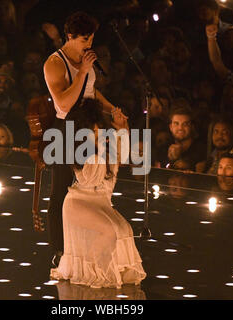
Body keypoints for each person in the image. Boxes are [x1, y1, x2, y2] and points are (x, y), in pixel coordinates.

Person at [43, 11, 127, 267]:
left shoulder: (84, 59)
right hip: (66, 128)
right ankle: (59, 249)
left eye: (91, 39)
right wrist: (82, 71)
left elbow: (90, 91)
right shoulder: (55, 63)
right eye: (83, 40)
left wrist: (112, 109)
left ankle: (88, 238)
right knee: (61, 190)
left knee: (94, 182)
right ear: (70, 36)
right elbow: (64, 103)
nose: (88, 45)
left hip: (89, 127)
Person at [50, 98, 146, 289]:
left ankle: (109, 269)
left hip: (101, 202)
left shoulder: (105, 148)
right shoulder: (83, 154)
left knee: (125, 230)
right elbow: (91, 179)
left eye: (98, 130)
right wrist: (104, 147)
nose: (99, 134)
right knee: (109, 232)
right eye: (93, 132)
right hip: (79, 203)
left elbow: (125, 152)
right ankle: (92, 271)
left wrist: (122, 127)